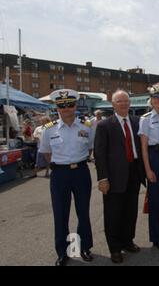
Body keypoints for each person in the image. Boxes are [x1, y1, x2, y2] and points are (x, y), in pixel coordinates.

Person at [39, 89, 94, 266]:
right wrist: (60, 164)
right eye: (62, 105)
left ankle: (84, 247)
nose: (66, 108)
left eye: (70, 104)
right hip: (60, 174)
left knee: (83, 212)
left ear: (75, 105)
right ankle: (62, 252)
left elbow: (90, 150)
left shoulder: (86, 126)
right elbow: (47, 153)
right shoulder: (49, 130)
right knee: (60, 214)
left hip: (81, 172)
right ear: (57, 107)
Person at [94, 90, 146, 264]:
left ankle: (127, 241)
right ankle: (115, 248)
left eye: (126, 101)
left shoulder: (138, 122)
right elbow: (99, 154)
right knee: (113, 213)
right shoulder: (104, 125)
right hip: (114, 176)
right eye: (119, 101)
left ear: (129, 103)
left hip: (134, 173)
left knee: (131, 211)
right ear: (113, 104)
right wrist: (102, 178)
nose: (123, 103)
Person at [138, 86, 159, 250]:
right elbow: (143, 147)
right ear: (151, 100)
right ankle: (156, 237)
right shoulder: (145, 119)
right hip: (153, 158)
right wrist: (148, 170)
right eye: (154, 98)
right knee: (155, 200)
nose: (158, 100)